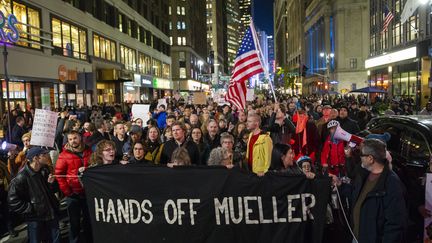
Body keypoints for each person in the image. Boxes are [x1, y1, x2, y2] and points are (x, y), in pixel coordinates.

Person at [351, 138, 407, 243]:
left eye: (362, 155)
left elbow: (395, 224)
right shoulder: (365, 174)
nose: (360, 157)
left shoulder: (392, 184)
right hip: (357, 238)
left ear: (370, 159)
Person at [8, 147, 60, 243]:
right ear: (36, 158)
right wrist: (31, 208)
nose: (47, 156)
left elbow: (54, 190)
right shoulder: (21, 177)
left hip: (50, 214)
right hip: (35, 219)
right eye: (44, 155)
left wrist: (51, 183)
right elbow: (12, 201)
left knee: (55, 240)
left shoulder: (44, 170)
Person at [54, 130, 92, 243]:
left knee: (88, 221)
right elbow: (59, 175)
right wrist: (68, 192)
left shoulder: (88, 151)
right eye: (70, 139)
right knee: (74, 223)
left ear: (80, 138)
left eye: (74, 138)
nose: (73, 141)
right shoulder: (64, 155)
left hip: (88, 192)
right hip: (73, 195)